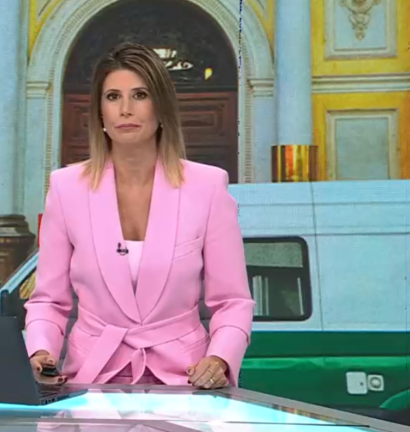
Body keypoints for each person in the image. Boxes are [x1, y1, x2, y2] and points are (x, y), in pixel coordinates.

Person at [24, 42, 255, 389]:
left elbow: (232, 301)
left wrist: (219, 359)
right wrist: (41, 351)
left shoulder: (207, 187)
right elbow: (49, 301)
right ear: (99, 112)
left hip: (186, 379)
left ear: (161, 107)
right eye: (113, 97)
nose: (126, 109)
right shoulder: (65, 188)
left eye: (140, 95)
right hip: (91, 377)